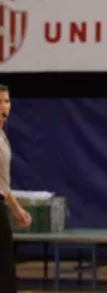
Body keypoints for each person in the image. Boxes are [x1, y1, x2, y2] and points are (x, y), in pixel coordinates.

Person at [0, 84, 32, 292]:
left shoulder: (2, 137)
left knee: (5, 263)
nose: (5, 106)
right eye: (0, 101)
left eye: (7, 101)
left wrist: (17, 209)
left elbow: (3, 183)